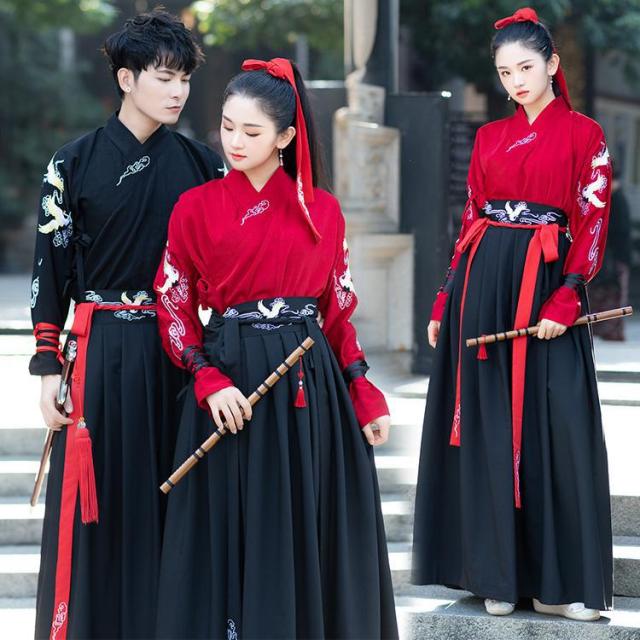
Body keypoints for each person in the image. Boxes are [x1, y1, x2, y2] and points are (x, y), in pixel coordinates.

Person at [153, 57, 398, 639]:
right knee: (238, 529)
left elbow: (336, 312)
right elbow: (173, 302)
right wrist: (207, 378)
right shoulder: (195, 207)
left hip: (310, 390)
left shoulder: (324, 211)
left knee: (310, 524)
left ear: (286, 137)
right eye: (227, 127)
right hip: (231, 385)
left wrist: (362, 388)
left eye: (251, 131)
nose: (234, 142)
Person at [412, 7, 612, 622]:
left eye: (526, 68)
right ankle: (495, 575)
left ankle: (558, 584)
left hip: (546, 286)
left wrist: (569, 293)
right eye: (505, 72)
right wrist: (445, 297)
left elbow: (592, 218)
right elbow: (470, 220)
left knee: (557, 425)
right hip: (483, 288)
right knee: (489, 425)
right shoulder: (488, 138)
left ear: (552, 65)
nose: (516, 81)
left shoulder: (585, 134)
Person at [30, 10, 224, 638]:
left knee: (175, 498)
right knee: (98, 505)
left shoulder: (205, 167)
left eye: (185, 79)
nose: (178, 91)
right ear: (125, 78)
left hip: (179, 354)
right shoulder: (71, 164)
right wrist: (47, 368)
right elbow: (50, 273)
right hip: (100, 353)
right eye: (164, 77)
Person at [589, 161, 632, 340]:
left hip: (615, 258)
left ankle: (612, 332)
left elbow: (617, 232)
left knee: (613, 295)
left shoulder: (617, 200)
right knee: (602, 295)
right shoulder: (611, 199)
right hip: (610, 257)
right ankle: (604, 331)